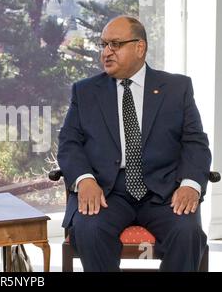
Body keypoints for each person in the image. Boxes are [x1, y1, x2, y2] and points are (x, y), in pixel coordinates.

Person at [57, 16, 211, 272]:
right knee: (89, 230)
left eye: (115, 44)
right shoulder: (85, 92)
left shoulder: (176, 88)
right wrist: (85, 180)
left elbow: (195, 142)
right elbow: (69, 143)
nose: (107, 52)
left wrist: (190, 184)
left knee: (188, 232)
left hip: (165, 193)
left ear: (140, 47)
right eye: (103, 44)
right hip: (107, 192)